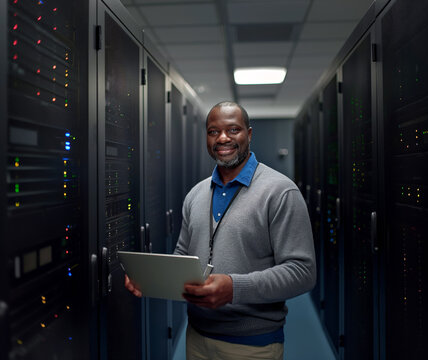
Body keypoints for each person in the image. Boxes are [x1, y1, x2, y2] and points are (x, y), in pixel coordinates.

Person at [125, 101, 316, 360]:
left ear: (249, 134)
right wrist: (150, 278)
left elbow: (302, 272)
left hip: (252, 345)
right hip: (197, 336)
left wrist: (234, 287)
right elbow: (183, 252)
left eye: (233, 129)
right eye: (213, 131)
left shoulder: (280, 192)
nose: (223, 138)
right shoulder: (196, 194)